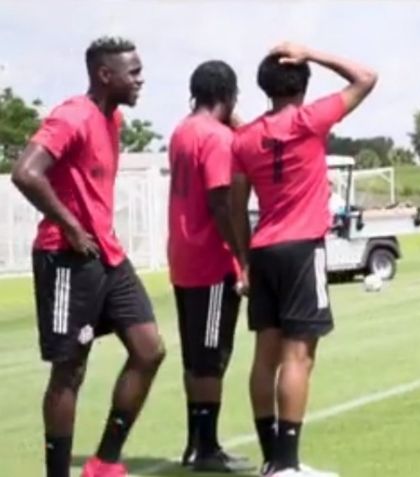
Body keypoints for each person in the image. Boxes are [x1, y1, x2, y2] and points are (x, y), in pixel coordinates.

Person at [11, 36, 166, 477]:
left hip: (107, 255)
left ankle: (103, 462)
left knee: (149, 350)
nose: (141, 79)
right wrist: (70, 226)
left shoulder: (112, 119)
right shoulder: (72, 115)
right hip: (66, 256)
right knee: (69, 372)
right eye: (133, 72)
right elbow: (26, 173)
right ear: (105, 74)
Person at [230, 41, 377, 477]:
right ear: (303, 83)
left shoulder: (245, 138)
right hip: (301, 249)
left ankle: (272, 460)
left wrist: (243, 261)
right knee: (299, 358)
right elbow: (366, 77)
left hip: (263, 249)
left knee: (265, 357)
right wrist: (311, 53)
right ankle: (287, 465)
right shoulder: (311, 120)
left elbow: (237, 208)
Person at [166, 60, 253, 473]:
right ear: (229, 94)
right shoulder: (218, 138)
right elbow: (221, 202)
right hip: (210, 258)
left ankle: (195, 443)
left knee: (194, 355)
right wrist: (241, 257)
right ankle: (206, 448)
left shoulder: (183, 130)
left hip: (182, 255)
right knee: (211, 357)